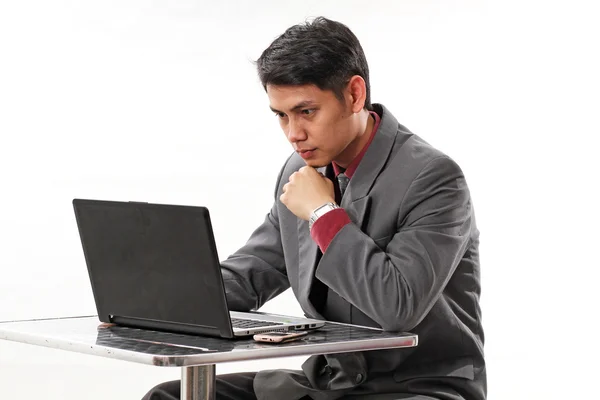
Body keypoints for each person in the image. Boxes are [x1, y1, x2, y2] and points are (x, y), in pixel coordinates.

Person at [143, 16, 485, 400]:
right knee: (168, 397)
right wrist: (162, 303)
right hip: (330, 382)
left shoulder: (434, 178)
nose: (294, 134)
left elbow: (398, 307)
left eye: (307, 112)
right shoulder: (301, 170)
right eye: (281, 115)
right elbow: (256, 271)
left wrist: (323, 213)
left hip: (415, 387)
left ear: (355, 95)